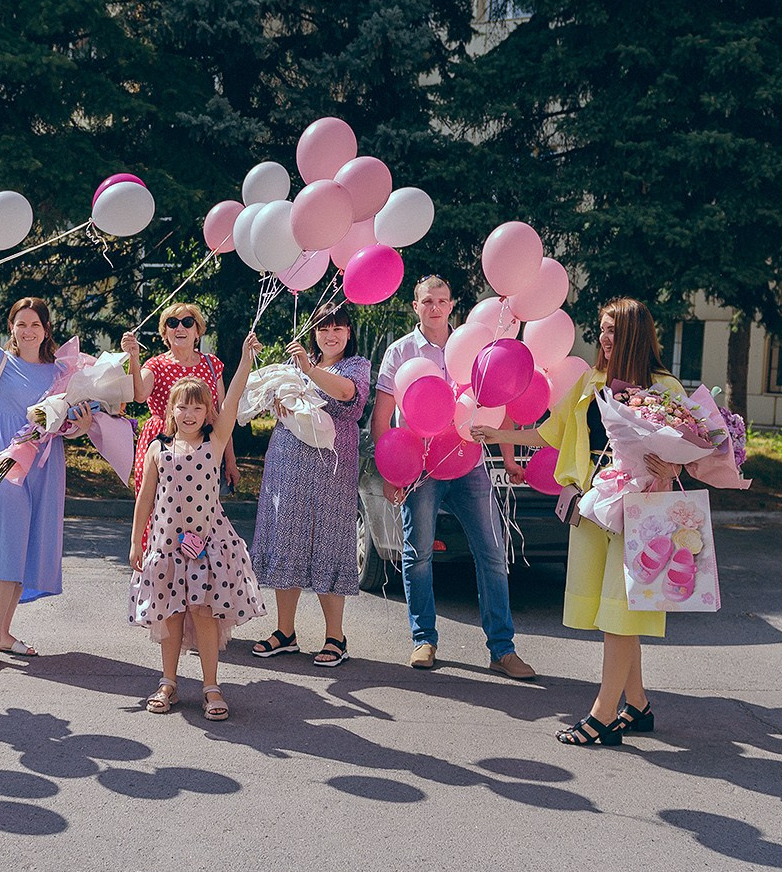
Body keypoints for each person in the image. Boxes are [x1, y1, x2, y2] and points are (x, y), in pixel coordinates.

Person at [478, 298, 684, 746]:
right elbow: (553, 430)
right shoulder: (593, 382)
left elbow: (695, 447)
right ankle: (639, 705)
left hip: (642, 512)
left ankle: (603, 716)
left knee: (620, 614)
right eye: (602, 330)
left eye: (613, 331)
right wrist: (500, 435)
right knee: (612, 611)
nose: (605, 339)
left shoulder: (665, 387)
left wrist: (674, 470)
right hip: (594, 505)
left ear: (634, 335)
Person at [371, 276, 537, 681]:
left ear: (451, 305)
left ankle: (502, 649)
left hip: (471, 464)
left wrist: (510, 458)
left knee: (493, 555)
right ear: (415, 306)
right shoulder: (400, 351)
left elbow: (499, 400)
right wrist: (388, 471)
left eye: (442, 301)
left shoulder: (475, 345)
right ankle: (423, 639)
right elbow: (381, 417)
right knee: (418, 555)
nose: (435, 307)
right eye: (427, 301)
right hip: (421, 469)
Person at [0, 265, 82, 670]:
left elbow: (79, 423)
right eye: (21, 324)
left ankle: (5, 634)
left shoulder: (64, 372)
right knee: (3, 543)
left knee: (23, 545)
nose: (28, 330)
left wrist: (77, 424)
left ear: (46, 329)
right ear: (12, 328)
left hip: (45, 466)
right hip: (0, 465)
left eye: (35, 324)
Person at [129, 333, 264, 720]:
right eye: (181, 407)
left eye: (197, 407)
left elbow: (234, 396)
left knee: (204, 612)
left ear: (208, 412)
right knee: (169, 613)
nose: (189, 414)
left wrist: (244, 358)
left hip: (207, 542)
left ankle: (210, 686)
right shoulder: (159, 449)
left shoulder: (216, 441)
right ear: (170, 412)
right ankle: (168, 682)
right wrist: (137, 541)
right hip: (167, 544)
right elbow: (145, 498)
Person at [249, 304, 373, 667]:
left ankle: (336, 637)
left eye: (337, 328)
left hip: (330, 473)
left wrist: (309, 369)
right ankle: (284, 631)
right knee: (287, 539)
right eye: (323, 328)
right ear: (314, 332)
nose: (330, 335)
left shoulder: (355, 365)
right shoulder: (296, 364)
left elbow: (348, 393)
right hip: (286, 466)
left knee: (329, 542)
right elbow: (271, 394)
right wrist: (273, 396)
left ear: (349, 332)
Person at [120, 304, 226, 491]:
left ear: (197, 331)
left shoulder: (212, 364)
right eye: (172, 323)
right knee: (156, 506)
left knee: (196, 506)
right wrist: (134, 358)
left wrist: (230, 460)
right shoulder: (156, 364)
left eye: (187, 322)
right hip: (163, 441)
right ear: (165, 332)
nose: (180, 328)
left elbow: (222, 415)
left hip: (203, 443)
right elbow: (139, 395)